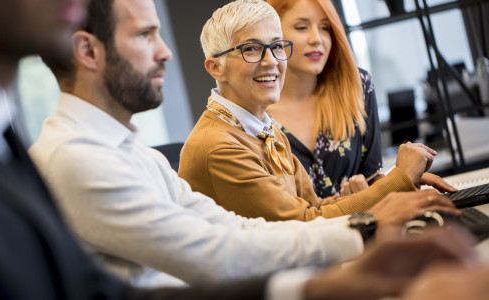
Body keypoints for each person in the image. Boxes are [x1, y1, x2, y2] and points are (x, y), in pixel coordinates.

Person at [0, 0, 477, 299]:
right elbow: (215, 253)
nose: (165, 52)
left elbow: (220, 236)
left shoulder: (118, 150)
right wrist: (370, 224)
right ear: (88, 51)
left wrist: (327, 277)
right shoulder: (69, 155)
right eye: (146, 35)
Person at [177, 0, 455, 222]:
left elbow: (317, 205)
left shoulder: (262, 127)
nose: (271, 61)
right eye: (251, 49)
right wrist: (399, 180)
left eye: (276, 46)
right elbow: (306, 224)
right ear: (216, 68)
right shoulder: (219, 146)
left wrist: (399, 185)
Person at [266, 0, 381, 198]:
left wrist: (403, 179)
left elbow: (375, 177)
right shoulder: (254, 117)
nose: (317, 39)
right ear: (271, 33)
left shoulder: (357, 86)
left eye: (325, 28)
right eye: (302, 27)